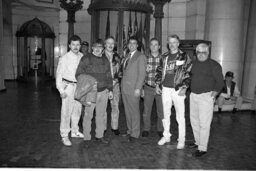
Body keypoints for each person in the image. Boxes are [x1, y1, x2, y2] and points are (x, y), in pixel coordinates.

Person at [155, 34, 192, 149]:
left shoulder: (184, 56)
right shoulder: (164, 56)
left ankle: (181, 139)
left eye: (174, 42)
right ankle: (166, 136)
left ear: (178, 43)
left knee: (180, 116)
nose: (172, 44)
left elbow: (188, 72)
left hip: (178, 89)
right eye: (170, 42)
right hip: (165, 88)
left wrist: (185, 87)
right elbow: (159, 71)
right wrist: (157, 84)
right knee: (165, 114)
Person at [76, 39, 113, 147]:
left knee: (101, 115)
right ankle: (87, 138)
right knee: (88, 116)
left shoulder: (105, 60)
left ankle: (99, 136)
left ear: (103, 49)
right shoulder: (86, 58)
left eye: (100, 47)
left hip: (103, 92)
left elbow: (109, 76)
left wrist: (110, 90)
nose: (98, 49)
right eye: (96, 47)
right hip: (90, 93)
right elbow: (78, 74)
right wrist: (88, 86)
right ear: (92, 47)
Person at [189, 43, 224, 157]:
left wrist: (213, 94)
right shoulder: (194, 64)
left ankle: (202, 148)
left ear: (208, 53)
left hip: (206, 97)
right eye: (198, 52)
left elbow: (220, 82)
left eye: (203, 52)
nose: (201, 55)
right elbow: (189, 77)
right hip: (193, 95)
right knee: (194, 121)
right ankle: (197, 142)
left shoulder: (214, 65)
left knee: (204, 123)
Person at [56, 35, 84, 146]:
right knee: (66, 112)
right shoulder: (64, 58)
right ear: (69, 45)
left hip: (79, 87)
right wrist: (61, 90)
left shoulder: (82, 57)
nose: (75, 47)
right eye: (73, 44)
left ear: (80, 45)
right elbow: (59, 75)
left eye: (77, 44)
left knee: (77, 110)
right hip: (68, 87)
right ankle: (64, 135)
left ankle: (75, 131)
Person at [121, 36, 147, 142]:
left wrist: (138, 88)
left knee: (134, 111)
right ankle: (130, 130)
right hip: (125, 88)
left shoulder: (140, 56)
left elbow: (142, 74)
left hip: (133, 88)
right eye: (130, 43)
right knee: (127, 111)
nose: (131, 45)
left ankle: (135, 133)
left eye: (134, 43)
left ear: (137, 45)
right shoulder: (127, 56)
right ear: (127, 45)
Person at [142, 38, 163, 138]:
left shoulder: (164, 59)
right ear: (149, 47)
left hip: (161, 89)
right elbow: (141, 75)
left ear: (159, 46)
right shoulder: (145, 59)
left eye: (156, 45)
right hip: (148, 87)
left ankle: (160, 129)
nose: (154, 46)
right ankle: (146, 128)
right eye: (152, 45)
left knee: (161, 111)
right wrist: (142, 88)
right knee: (146, 110)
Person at [103, 36, 121, 135]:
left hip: (115, 85)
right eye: (108, 43)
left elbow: (121, 71)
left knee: (115, 106)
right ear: (105, 45)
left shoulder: (117, 57)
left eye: (112, 43)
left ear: (114, 45)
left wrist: (115, 80)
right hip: (103, 86)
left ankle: (115, 127)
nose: (110, 45)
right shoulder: (100, 56)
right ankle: (104, 127)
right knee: (103, 107)